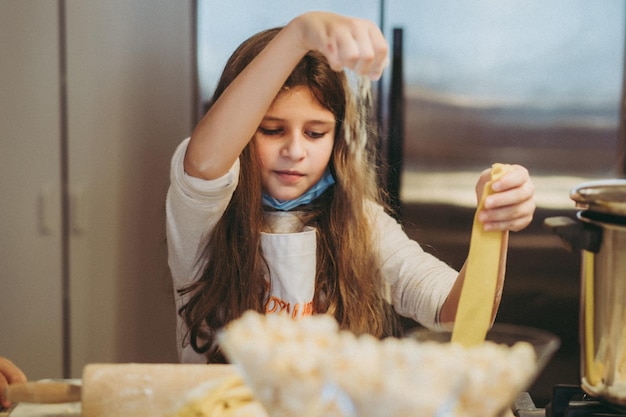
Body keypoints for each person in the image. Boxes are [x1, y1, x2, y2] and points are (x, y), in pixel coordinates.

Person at [165, 11, 535, 364]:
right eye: (272, 130)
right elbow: (204, 164)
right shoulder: (202, 220)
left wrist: (494, 220)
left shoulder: (361, 224)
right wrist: (298, 35)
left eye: (315, 133)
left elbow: (457, 314)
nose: (295, 151)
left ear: (337, 138)